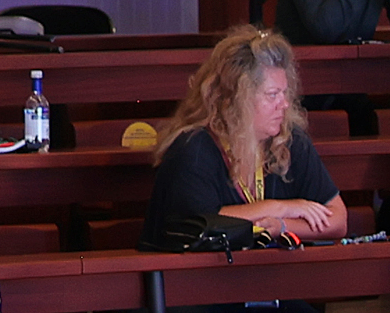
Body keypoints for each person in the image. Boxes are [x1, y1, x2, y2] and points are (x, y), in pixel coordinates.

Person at [141, 28, 341, 251]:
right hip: (197, 279)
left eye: (285, 93)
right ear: (237, 99)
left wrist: (282, 225)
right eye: (272, 95)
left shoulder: (290, 139)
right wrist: (278, 208)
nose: (284, 104)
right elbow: (204, 224)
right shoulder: (193, 149)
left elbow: (338, 219)